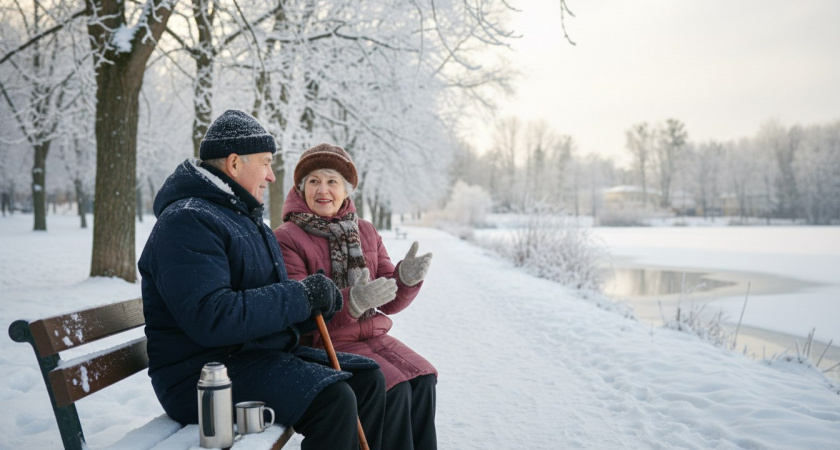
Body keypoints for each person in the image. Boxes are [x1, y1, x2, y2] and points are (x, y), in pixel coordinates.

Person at [138, 110, 386, 450]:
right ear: (235, 163)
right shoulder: (188, 221)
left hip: (251, 356)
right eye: (266, 163)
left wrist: (317, 303)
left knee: (367, 378)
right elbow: (214, 316)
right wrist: (300, 296)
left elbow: (265, 301)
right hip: (202, 377)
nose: (271, 176)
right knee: (334, 400)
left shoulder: (241, 218)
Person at [274, 143, 438, 450]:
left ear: (346, 189)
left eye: (332, 181)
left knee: (423, 379)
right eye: (313, 181)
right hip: (324, 344)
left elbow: (388, 296)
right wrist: (353, 301)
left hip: (371, 336)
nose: (323, 190)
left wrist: (405, 280)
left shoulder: (365, 231)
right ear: (301, 188)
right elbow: (300, 311)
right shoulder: (287, 237)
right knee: (397, 389)